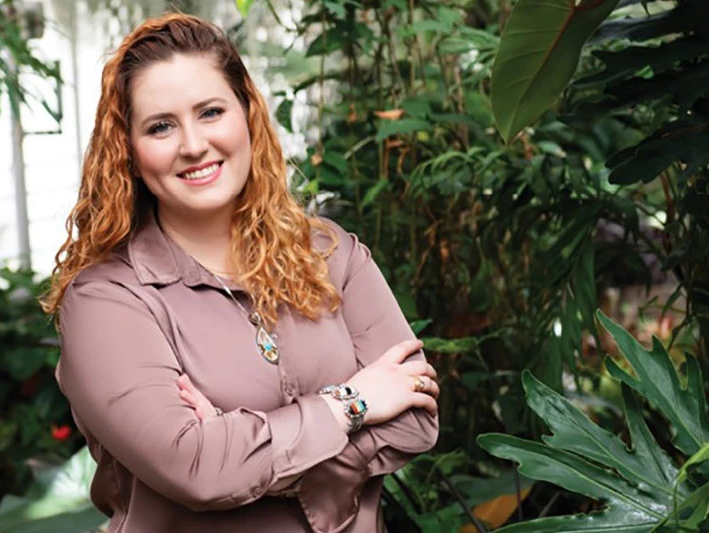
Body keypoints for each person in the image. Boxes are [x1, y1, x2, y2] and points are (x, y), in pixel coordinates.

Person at [41, 12, 439, 533]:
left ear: (248, 115)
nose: (192, 144)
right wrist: (355, 402)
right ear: (130, 153)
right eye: (161, 126)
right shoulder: (106, 300)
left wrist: (247, 453)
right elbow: (197, 469)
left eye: (210, 112)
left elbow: (416, 419)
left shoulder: (329, 252)